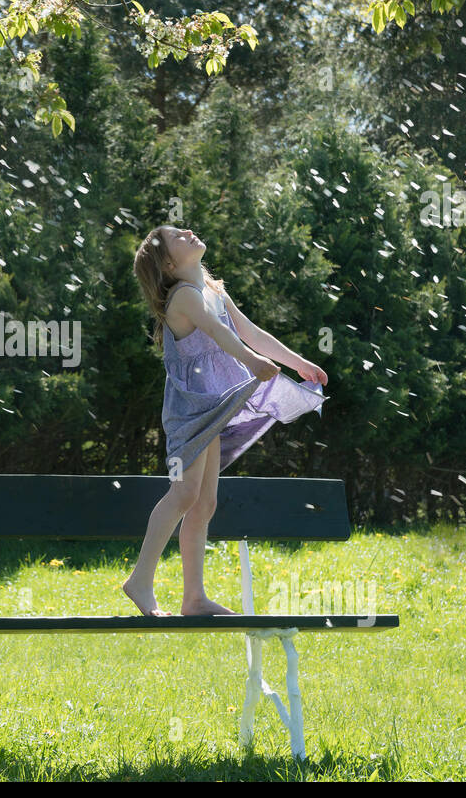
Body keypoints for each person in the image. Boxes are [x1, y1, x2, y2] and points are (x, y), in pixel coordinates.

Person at [124, 225, 329, 617]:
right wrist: (251, 363)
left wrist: (298, 364)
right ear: (169, 263)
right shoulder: (183, 296)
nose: (188, 231)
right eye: (177, 237)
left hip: (214, 407)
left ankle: (194, 598)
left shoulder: (213, 288)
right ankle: (140, 580)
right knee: (184, 495)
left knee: (205, 502)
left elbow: (249, 332)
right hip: (190, 411)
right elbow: (218, 333)